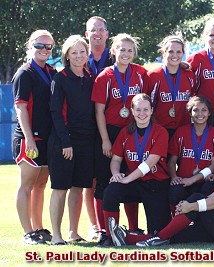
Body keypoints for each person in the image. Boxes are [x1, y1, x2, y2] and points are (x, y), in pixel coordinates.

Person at [108, 138, 214, 246]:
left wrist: (192, 206)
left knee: (196, 198)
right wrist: (189, 207)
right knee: (176, 235)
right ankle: (128, 239)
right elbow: (212, 197)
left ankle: (157, 237)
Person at [91, 33, 148, 246]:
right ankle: (104, 230)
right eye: (121, 49)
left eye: (129, 50)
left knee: (131, 178)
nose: (126, 53)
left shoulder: (140, 73)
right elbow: (99, 112)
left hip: (133, 133)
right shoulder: (105, 76)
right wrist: (105, 140)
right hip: (110, 132)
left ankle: (133, 227)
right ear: (113, 50)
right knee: (104, 183)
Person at [102, 93, 170, 246]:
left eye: (146, 110)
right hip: (134, 183)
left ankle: (125, 237)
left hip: (156, 183)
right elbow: (116, 159)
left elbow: (151, 162)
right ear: (132, 111)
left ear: (152, 110)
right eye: (138, 110)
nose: (142, 114)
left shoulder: (160, 132)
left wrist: (126, 178)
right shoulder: (125, 132)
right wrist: (116, 175)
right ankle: (110, 235)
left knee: (158, 234)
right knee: (111, 191)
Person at [48, 35, 96, 245]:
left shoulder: (90, 77)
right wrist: (65, 142)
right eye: (74, 52)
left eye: (82, 52)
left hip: (86, 142)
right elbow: (56, 113)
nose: (78, 56)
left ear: (87, 54)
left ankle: (73, 232)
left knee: (78, 188)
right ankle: (56, 236)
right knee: (60, 189)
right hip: (64, 143)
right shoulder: (60, 78)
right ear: (67, 55)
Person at [12, 30, 57, 244]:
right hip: (29, 138)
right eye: (40, 45)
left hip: (47, 138)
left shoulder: (51, 71)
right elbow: (21, 109)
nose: (44, 50)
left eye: (48, 47)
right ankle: (27, 232)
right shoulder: (25, 72)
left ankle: (38, 228)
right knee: (26, 185)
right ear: (31, 46)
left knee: (41, 184)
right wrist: (29, 138)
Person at [84, 16, 114, 241]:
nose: (97, 33)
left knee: (114, 175)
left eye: (101, 30)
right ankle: (94, 225)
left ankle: (117, 224)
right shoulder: (78, 56)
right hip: (85, 126)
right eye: (92, 30)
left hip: (112, 125)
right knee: (90, 179)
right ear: (87, 34)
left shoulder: (116, 55)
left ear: (107, 33)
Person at [168, 96, 214, 211]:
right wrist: (174, 177)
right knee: (175, 192)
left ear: (209, 113)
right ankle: (177, 222)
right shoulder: (181, 132)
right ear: (190, 113)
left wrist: (192, 180)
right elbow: (172, 160)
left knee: (209, 189)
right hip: (184, 180)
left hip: (204, 182)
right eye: (195, 110)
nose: (200, 114)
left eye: (204, 110)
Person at [147, 35, 195, 138]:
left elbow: (195, 99)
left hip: (183, 129)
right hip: (159, 129)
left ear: (183, 54)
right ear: (164, 53)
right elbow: (146, 102)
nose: (175, 55)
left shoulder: (189, 75)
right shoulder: (153, 76)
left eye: (179, 52)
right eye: (171, 51)